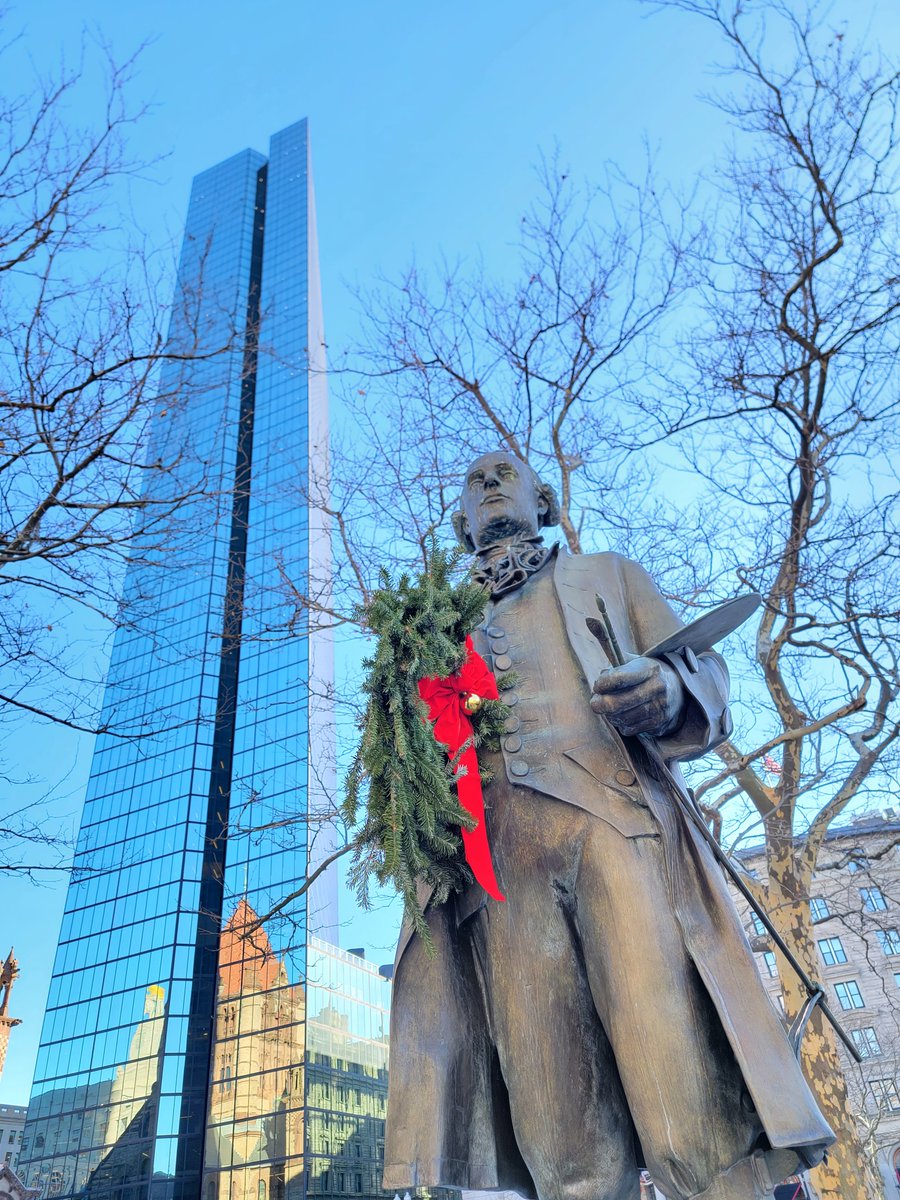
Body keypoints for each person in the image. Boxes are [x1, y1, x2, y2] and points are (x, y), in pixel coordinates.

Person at [382, 451, 834, 1200]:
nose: (491, 482)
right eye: (475, 480)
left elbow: (708, 677)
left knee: (686, 1098)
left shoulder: (608, 575)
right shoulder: (426, 630)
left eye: (508, 472)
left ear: (546, 502)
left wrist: (668, 688)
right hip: (497, 888)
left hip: (619, 836)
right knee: (561, 1135)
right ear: (460, 522)